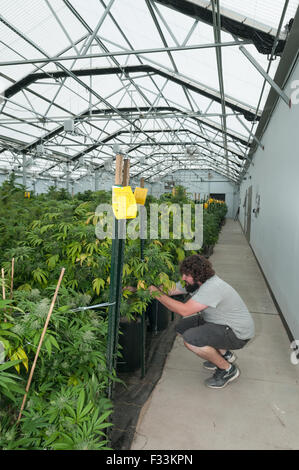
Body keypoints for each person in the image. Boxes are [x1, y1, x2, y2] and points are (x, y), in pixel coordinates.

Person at [148, 254, 255, 389]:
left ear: (198, 275)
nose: (183, 278)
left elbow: (184, 311)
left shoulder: (212, 287)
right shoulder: (195, 283)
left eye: (187, 275)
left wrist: (157, 295)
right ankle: (224, 355)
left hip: (237, 333)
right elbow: (169, 289)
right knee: (182, 327)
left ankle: (227, 370)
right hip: (219, 323)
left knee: (190, 339)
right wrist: (138, 289)